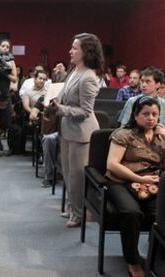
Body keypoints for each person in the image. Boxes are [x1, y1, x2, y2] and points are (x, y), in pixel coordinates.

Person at [105, 96, 165, 277]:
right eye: (146, 114)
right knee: (131, 213)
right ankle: (133, 261)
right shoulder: (124, 134)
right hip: (121, 181)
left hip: (151, 182)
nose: (151, 118)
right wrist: (140, 178)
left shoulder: (160, 135)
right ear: (136, 115)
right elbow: (112, 165)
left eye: (155, 114)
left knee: (160, 214)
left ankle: (157, 258)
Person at [52, 33, 103, 227]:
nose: (70, 51)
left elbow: (85, 111)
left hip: (81, 133)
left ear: (86, 52)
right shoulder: (74, 70)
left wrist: (61, 109)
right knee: (67, 172)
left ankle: (79, 214)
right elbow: (64, 95)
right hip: (68, 129)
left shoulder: (89, 77)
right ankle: (73, 207)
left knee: (77, 176)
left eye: (75, 48)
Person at [0, 39, 17, 156]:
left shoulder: (11, 61)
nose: (5, 48)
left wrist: (6, 72)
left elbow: (15, 78)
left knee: (6, 123)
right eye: (3, 46)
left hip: (6, 95)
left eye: (7, 46)